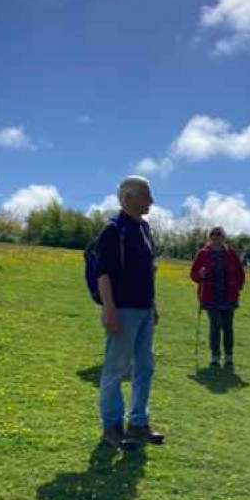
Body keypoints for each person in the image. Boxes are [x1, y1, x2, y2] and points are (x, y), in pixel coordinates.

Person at [95, 176, 165, 449]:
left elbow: (148, 270)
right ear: (128, 198)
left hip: (144, 309)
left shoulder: (145, 228)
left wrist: (153, 305)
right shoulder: (113, 230)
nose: (152, 201)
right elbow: (103, 274)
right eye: (147, 195)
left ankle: (138, 423)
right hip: (123, 310)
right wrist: (109, 310)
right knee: (116, 369)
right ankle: (111, 427)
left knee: (144, 368)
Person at [190, 226, 246, 368]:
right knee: (215, 326)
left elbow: (241, 273)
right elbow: (193, 274)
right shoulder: (202, 253)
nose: (215, 236)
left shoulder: (231, 253)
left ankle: (229, 356)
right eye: (213, 234)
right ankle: (215, 356)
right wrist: (200, 275)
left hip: (229, 296)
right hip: (210, 296)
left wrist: (237, 288)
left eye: (219, 234)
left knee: (228, 327)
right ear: (210, 237)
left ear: (223, 237)